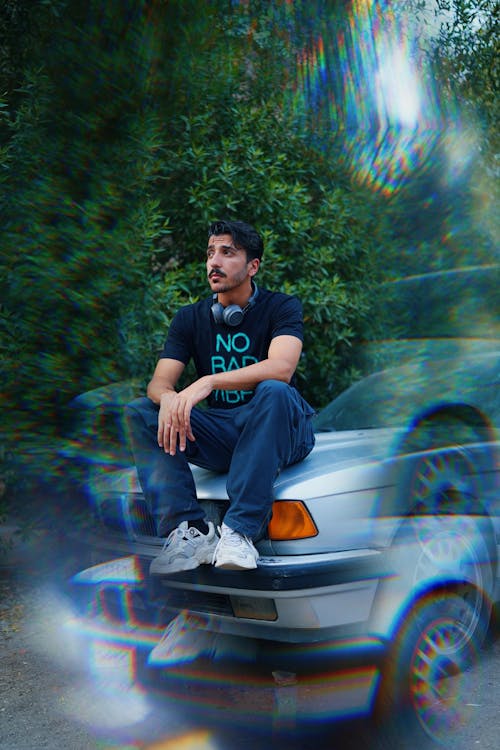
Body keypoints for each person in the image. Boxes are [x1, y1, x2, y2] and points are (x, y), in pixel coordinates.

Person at [125, 219, 315, 575]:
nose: (215, 261)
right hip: (226, 432)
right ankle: (189, 532)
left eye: (228, 252)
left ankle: (240, 532)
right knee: (142, 411)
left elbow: (281, 368)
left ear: (253, 266)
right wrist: (168, 399)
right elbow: (159, 383)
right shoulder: (189, 318)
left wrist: (208, 382)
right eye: (211, 252)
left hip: (280, 426)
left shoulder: (282, 307)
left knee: (274, 391)